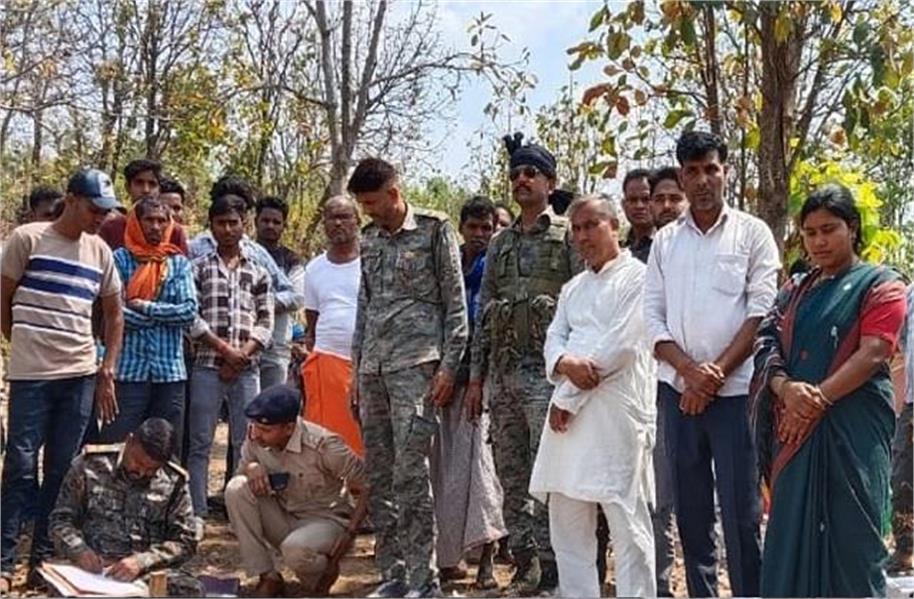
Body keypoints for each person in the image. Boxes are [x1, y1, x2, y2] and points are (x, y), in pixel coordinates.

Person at [750, 184, 907, 596]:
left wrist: (816, 399)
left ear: (852, 228)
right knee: (790, 539)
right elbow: (765, 342)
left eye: (829, 229)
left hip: (852, 434)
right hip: (794, 433)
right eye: (810, 231)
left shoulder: (882, 285)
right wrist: (786, 391)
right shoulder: (794, 291)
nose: (818, 241)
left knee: (855, 543)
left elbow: (875, 352)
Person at [644, 130, 780, 597]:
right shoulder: (664, 243)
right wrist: (689, 374)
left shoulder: (752, 233)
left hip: (737, 393)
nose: (703, 179)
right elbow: (652, 319)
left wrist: (714, 374)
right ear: (681, 176)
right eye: (693, 170)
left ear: (726, 171)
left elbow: (762, 312)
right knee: (692, 512)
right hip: (678, 395)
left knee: (743, 514)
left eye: (711, 169)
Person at [466, 134, 580, 594]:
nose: (521, 180)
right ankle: (527, 564)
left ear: (550, 183)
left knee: (549, 476)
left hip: (549, 377)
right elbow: (485, 312)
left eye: (530, 173)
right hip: (506, 375)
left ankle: (558, 567)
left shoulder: (568, 236)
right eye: (515, 174)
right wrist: (476, 378)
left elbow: (584, 305)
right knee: (511, 475)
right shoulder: (500, 244)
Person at [349, 158, 468, 598]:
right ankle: (393, 575)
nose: (368, 211)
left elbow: (456, 306)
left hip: (418, 369)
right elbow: (364, 307)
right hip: (374, 371)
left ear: (394, 193)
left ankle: (424, 580)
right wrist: (355, 371)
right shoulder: (369, 240)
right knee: (380, 475)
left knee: (410, 475)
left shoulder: (435, 230)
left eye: (372, 202)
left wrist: (449, 368)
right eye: (362, 204)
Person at [0, 168, 124, 588]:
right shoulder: (27, 239)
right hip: (31, 375)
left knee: (61, 468)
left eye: (105, 212)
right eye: (94, 209)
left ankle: (41, 562)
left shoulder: (100, 251)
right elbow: (3, 298)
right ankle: (3, 560)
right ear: (71, 200)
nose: (100, 218)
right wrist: (20, 340)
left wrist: (107, 364)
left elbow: (114, 312)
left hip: (79, 374)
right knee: (18, 465)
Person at [530, 195, 656, 597]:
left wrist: (567, 397)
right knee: (567, 524)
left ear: (614, 226)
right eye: (576, 229)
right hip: (567, 419)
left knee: (627, 524)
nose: (583, 235)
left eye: (591, 225)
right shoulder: (573, 288)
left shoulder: (639, 278)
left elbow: (619, 347)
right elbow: (554, 338)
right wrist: (564, 364)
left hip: (614, 411)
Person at [225, 385, 368, 597]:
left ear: (289, 428)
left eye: (266, 430)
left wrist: (348, 536)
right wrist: (251, 468)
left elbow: (369, 483)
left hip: (325, 521)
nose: (257, 434)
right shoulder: (256, 436)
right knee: (236, 488)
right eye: (255, 426)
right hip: (284, 515)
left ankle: (320, 577)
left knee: (297, 551)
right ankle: (268, 576)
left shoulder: (324, 445)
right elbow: (241, 473)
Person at [431, 196, 506, 588]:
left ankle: (487, 562)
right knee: (443, 472)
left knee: (481, 469)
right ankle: (447, 558)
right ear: (461, 228)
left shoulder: (497, 268)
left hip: (483, 382)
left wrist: (478, 378)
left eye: (487, 228)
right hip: (442, 380)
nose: (479, 235)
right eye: (473, 228)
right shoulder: (446, 263)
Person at [186, 192, 274, 517]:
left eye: (233, 223)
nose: (227, 229)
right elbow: (191, 317)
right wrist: (224, 351)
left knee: (247, 442)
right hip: (207, 367)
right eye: (220, 223)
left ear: (243, 225)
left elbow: (266, 320)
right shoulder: (197, 269)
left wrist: (243, 354)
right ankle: (196, 513)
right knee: (200, 442)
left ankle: (242, 511)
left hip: (247, 370)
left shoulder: (258, 272)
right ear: (211, 227)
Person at [48, 418, 203, 596]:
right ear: (129, 442)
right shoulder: (89, 465)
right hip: (92, 569)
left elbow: (186, 541)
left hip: (144, 572)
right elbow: (60, 521)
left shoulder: (174, 481)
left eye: (151, 470)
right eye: (138, 462)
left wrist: (142, 561)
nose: (141, 472)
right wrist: (78, 550)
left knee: (190, 590)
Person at [96, 197, 197, 443]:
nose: (155, 226)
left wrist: (145, 307)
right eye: (149, 220)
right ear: (136, 223)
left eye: (162, 221)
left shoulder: (178, 263)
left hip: (170, 373)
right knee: (116, 442)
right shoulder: (119, 259)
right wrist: (163, 315)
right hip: (129, 371)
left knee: (166, 448)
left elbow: (188, 312)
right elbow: (115, 313)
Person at [646, 165, 688, 597]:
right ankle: (657, 585)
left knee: (685, 495)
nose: (663, 206)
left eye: (672, 197)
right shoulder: (628, 254)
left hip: (689, 385)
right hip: (643, 388)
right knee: (653, 496)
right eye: (656, 199)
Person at [301, 195, 364, 455]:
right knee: (324, 441)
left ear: (358, 221)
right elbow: (312, 322)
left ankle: (363, 494)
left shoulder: (372, 261)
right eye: (332, 217)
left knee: (361, 441)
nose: (338, 223)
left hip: (364, 366)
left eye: (345, 216)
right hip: (326, 363)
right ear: (324, 223)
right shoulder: (315, 268)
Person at [255, 195, 305, 389]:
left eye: (276, 222)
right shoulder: (241, 251)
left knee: (272, 409)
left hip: (276, 345)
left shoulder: (292, 259)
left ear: (284, 226)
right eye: (265, 220)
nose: (270, 226)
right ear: (255, 221)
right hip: (241, 343)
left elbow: (297, 297)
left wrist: (257, 303)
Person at [98, 159, 189, 254]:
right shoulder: (112, 227)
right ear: (128, 187)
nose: (146, 190)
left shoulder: (174, 231)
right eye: (139, 183)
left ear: (159, 189)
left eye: (152, 184)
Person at [893, 282, 914, 573]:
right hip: (912, 404)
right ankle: (905, 550)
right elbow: (900, 349)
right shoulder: (909, 294)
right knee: (902, 477)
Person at [621, 168, 654, 263]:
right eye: (632, 200)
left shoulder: (668, 244)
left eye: (646, 199)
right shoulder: (619, 250)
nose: (639, 206)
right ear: (623, 205)